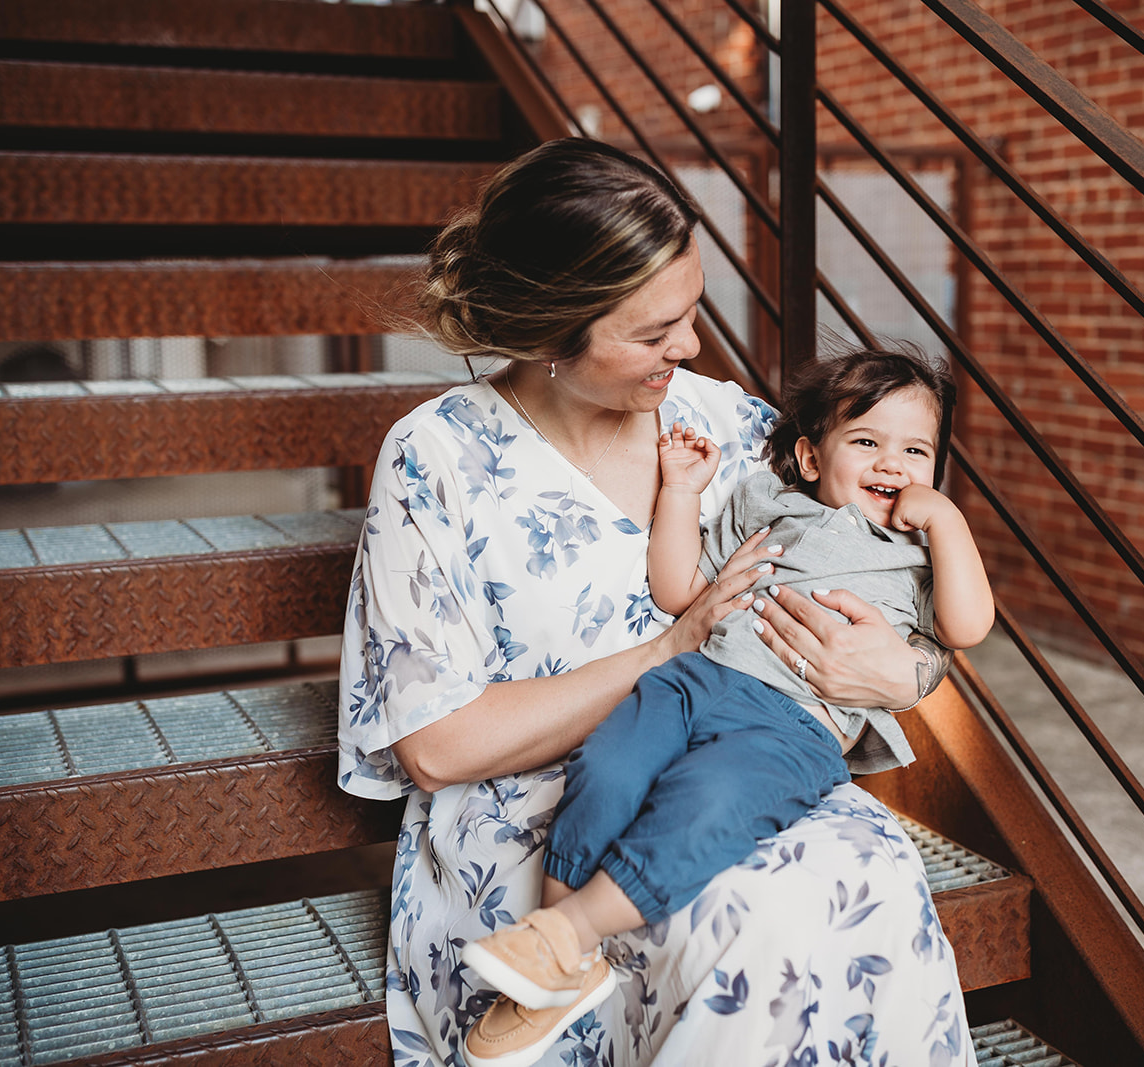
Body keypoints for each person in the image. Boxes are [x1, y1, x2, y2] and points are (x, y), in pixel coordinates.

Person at [338, 137, 975, 1067]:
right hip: (551, 805)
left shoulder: (724, 422)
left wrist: (908, 669)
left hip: (752, 756)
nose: (691, 346)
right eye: (652, 332)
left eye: (690, 312)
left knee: (861, 870)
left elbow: (887, 575)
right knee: (747, 919)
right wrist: (670, 647)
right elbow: (436, 744)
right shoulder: (435, 461)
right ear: (553, 331)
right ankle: (554, 957)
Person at [458, 345, 993, 1066]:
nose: (892, 464)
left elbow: (965, 628)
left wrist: (949, 522)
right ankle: (553, 956)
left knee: (705, 801)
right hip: (696, 680)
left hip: (794, 723)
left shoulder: (921, 554)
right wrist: (679, 491)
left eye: (915, 451)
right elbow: (679, 589)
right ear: (809, 457)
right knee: (610, 764)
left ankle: (570, 932)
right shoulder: (766, 501)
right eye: (866, 441)